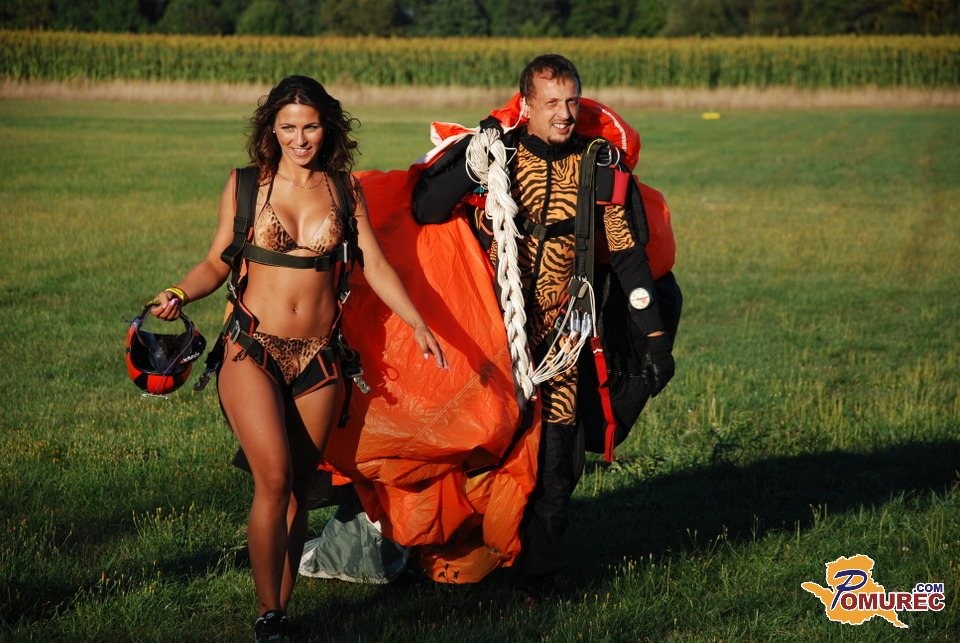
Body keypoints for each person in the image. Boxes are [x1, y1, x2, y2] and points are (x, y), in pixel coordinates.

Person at [148, 75, 447, 640]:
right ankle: (267, 614)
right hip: (252, 348)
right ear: (271, 129)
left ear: (327, 127)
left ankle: (280, 610)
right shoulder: (245, 186)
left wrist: (417, 322)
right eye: (288, 127)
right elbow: (216, 261)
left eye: (310, 127)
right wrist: (180, 293)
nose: (300, 139)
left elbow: (374, 264)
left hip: (320, 356)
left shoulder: (344, 191)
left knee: (299, 487)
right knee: (274, 476)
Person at [412, 54, 678, 604]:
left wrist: (654, 341)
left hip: (562, 340)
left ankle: (540, 578)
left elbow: (628, 258)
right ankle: (446, 550)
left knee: (557, 461)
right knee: (475, 452)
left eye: (572, 101)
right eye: (552, 102)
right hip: (493, 342)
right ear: (526, 106)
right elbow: (426, 208)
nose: (564, 113)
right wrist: (472, 159)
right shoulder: (496, 155)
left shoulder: (598, 164)